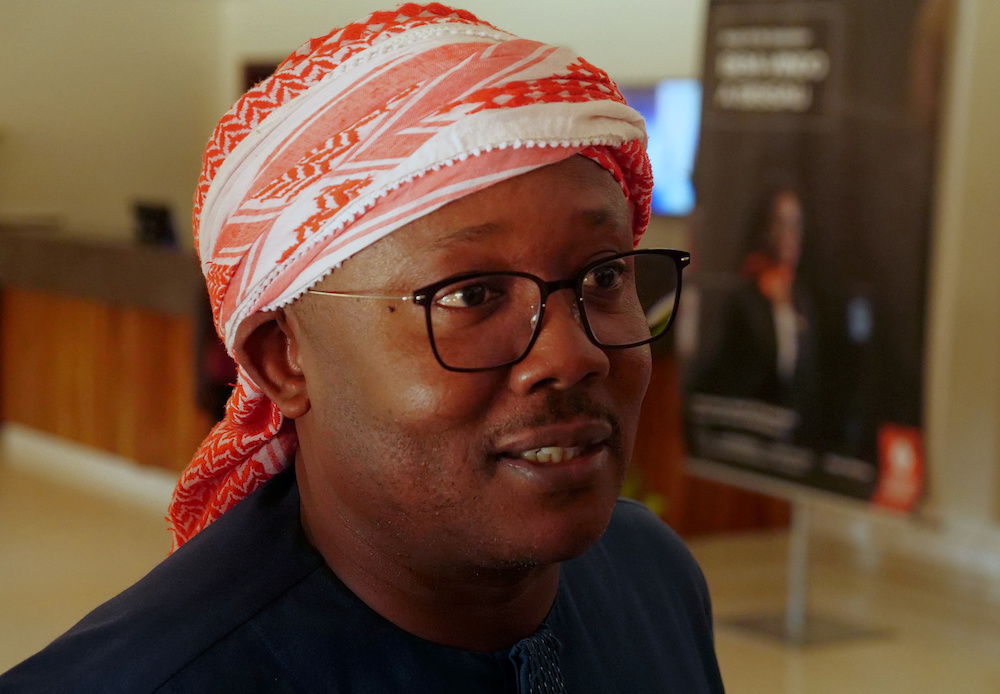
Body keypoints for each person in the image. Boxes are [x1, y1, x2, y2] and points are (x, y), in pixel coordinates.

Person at [0, 5, 724, 692]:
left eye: (604, 276)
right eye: (472, 295)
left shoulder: (654, 577)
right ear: (283, 359)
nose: (572, 356)